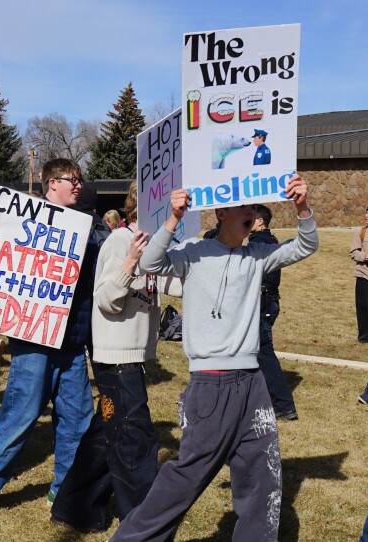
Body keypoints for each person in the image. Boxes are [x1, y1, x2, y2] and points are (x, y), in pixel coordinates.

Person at [109, 175, 317, 541]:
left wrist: (302, 207)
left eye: (254, 207)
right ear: (221, 212)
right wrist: (172, 218)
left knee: (263, 481)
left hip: (253, 384)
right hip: (210, 384)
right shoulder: (194, 251)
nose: (251, 212)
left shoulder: (258, 255)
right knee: (186, 478)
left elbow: (305, 245)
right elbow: (152, 263)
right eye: (244, 206)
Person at [0, 158, 96, 523]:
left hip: (70, 340)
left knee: (78, 417)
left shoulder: (88, 230)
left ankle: (64, 488)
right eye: (72, 180)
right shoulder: (20, 220)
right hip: (34, 336)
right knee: (22, 414)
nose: (78, 186)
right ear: (52, 183)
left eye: (80, 181)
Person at [50, 181, 179, 533]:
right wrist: (131, 262)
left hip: (131, 356)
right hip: (115, 357)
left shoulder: (154, 246)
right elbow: (106, 298)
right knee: (135, 438)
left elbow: (172, 285)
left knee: (107, 433)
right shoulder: (119, 242)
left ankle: (73, 508)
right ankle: (142, 524)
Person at [249, 204, 298, 420]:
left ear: (260, 221)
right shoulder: (266, 240)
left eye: (250, 217)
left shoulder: (260, 243)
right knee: (255, 353)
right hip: (267, 302)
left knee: (264, 353)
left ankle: (285, 405)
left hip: (263, 303)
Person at [351, 204, 368, 343]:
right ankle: (366, 336)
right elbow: (354, 253)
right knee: (363, 308)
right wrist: (364, 256)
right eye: (366, 213)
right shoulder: (360, 232)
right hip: (364, 275)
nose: (366, 216)